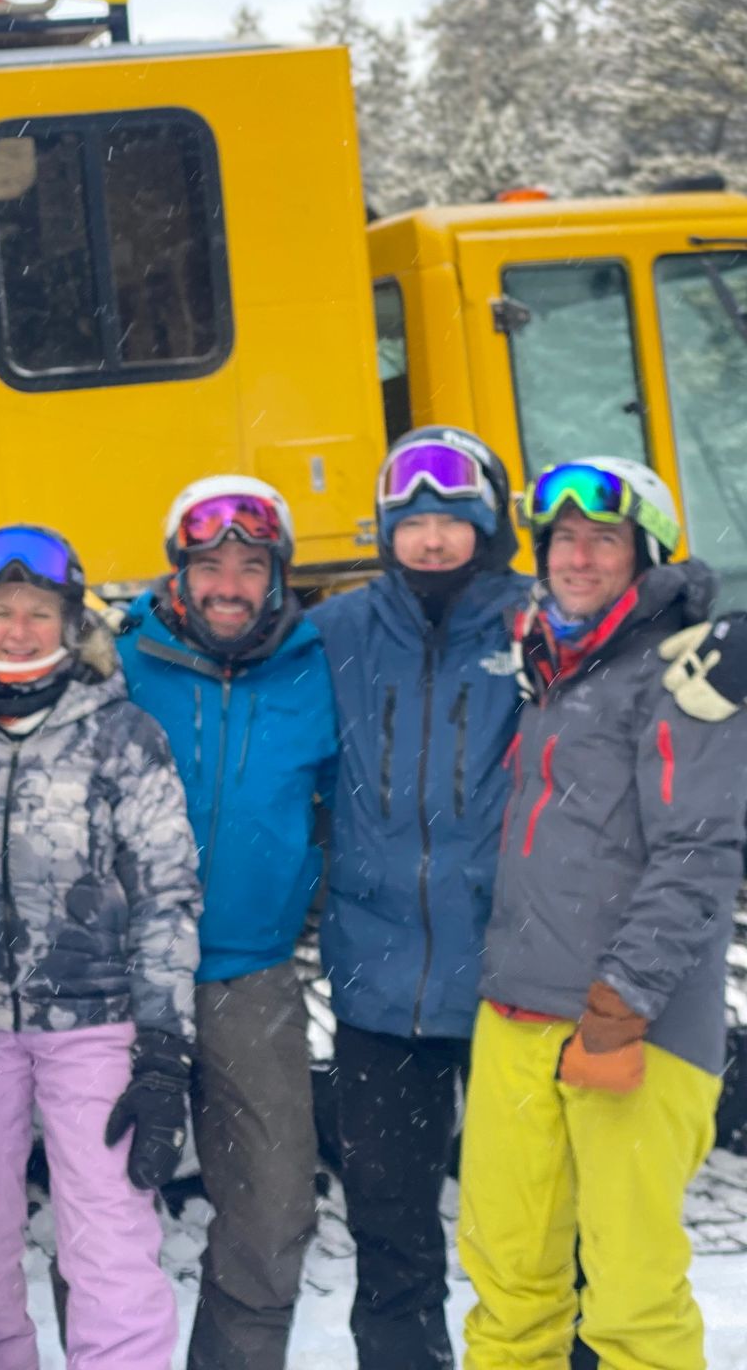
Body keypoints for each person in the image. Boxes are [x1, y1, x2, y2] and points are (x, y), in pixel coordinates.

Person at [458, 457, 747, 1370]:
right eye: (564, 540)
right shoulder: (551, 660)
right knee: (509, 1287)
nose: (579, 558)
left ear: (646, 556)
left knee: (629, 1300)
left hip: (634, 1024)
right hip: (518, 1011)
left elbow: (698, 853)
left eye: (604, 540)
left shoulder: (680, 674)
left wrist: (621, 1005)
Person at [0, 525, 202, 1370]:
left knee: (109, 1243)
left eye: (39, 612)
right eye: (1, 610)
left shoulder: (122, 736)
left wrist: (162, 1050)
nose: (18, 629)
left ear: (71, 623)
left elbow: (167, 894)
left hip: (96, 1023)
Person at [306, 428, 527, 1369]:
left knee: (537, 1225)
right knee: (392, 1235)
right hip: (377, 980)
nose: (434, 540)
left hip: (517, 977)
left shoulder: (537, 624)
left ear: (492, 526)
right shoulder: (336, 632)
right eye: (415, 522)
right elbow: (221, 654)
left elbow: (643, 634)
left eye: (456, 520)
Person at [115, 476, 338, 1370]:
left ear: (278, 574)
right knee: (110, 1217)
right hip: (122, 983)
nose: (230, 585)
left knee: (275, 1209)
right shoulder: (117, 664)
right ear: (180, 570)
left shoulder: (321, 666)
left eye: (252, 565)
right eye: (211, 565)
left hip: (250, 975)